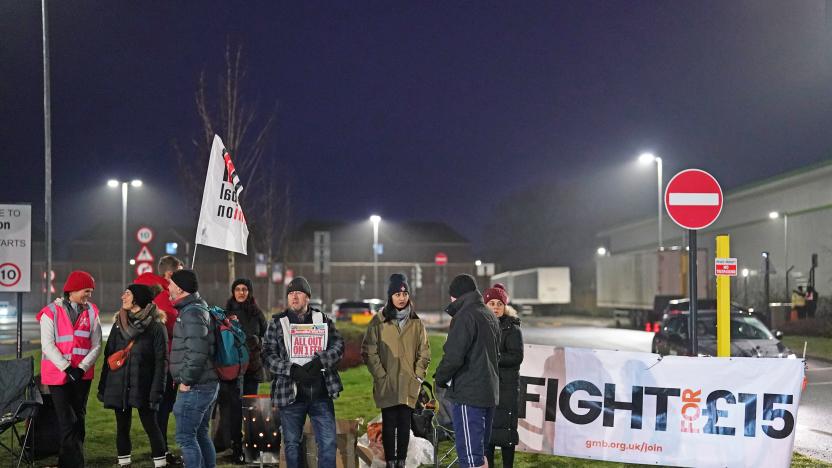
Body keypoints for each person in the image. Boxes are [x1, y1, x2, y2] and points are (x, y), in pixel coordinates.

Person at [262, 277, 345, 468]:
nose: (294, 297)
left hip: (320, 393)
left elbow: (339, 345)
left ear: (308, 297)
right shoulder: (277, 323)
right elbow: (267, 354)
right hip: (290, 395)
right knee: (291, 444)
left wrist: (320, 362)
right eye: (290, 294)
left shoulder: (322, 319)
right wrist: (290, 369)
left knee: (328, 443)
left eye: (298, 293)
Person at [362, 273, 431, 468]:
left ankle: (401, 462)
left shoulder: (417, 323)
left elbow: (424, 351)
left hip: (409, 381)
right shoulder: (378, 321)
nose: (401, 298)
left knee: (405, 423)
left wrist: (418, 374)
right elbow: (369, 351)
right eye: (397, 294)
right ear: (390, 296)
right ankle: (390, 462)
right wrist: (380, 375)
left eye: (405, 293)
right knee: (389, 423)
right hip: (387, 382)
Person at [36, 270, 103, 468]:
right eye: (86, 290)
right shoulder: (50, 312)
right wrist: (68, 368)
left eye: (90, 291)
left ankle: (67, 463)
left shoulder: (92, 311)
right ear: (72, 290)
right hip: (57, 375)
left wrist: (81, 368)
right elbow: (47, 345)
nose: (89, 295)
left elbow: (97, 345)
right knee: (68, 421)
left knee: (79, 420)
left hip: (82, 375)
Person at [99, 284, 169, 468]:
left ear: (137, 298)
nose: (123, 297)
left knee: (151, 426)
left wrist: (157, 391)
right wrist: (103, 387)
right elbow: (108, 356)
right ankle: (124, 463)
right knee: (122, 427)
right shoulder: (118, 324)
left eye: (127, 294)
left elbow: (162, 363)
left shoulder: (156, 327)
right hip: (119, 385)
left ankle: (160, 463)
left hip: (143, 386)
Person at [433, 274, 500, 468]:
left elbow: (453, 356)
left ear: (456, 296)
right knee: (480, 455)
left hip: (469, 395)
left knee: (471, 458)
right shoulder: (487, 314)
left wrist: (440, 377)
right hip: (488, 393)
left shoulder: (465, 316)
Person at [135, 255, 185, 466]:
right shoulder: (164, 296)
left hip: (144, 360)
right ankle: (161, 451)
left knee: (154, 408)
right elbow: (174, 327)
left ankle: (159, 450)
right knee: (163, 408)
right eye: (180, 272)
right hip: (164, 360)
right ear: (171, 274)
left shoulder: (143, 292)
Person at [169, 269, 219, 468]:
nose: (168, 288)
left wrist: (186, 381)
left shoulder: (192, 312)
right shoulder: (196, 308)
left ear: (180, 288)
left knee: (185, 438)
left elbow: (197, 351)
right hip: (206, 384)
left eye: (171, 284)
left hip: (196, 386)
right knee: (199, 434)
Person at [216, 278, 267, 464]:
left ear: (250, 292)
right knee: (233, 410)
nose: (241, 292)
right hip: (231, 370)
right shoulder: (226, 313)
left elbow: (266, 336)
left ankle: (252, 446)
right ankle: (235, 446)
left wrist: (258, 341)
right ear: (233, 291)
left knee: (250, 409)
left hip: (251, 369)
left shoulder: (257, 313)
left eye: (245, 289)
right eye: (237, 289)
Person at [483, 284, 523, 468]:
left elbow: (516, 357)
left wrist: (493, 357)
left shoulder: (513, 329)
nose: (496, 307)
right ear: (486, 305)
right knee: (488, 434)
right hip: (487, 386)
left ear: (505, 306)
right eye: (492, 303)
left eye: (499, 303)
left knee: (506, 434)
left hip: (506, 388)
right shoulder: (481, 326)